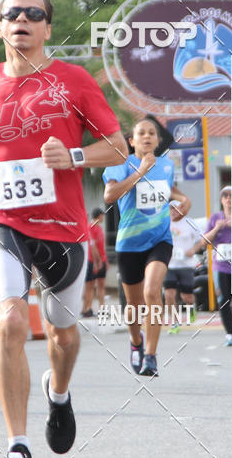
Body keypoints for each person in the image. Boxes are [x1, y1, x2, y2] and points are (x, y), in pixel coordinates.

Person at [0, 0, 126, 458]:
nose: (21, 20)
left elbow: (118, 146)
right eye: (11, 13)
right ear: (0, 25)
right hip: (3, 218)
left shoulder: (74, 81)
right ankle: (17, 447)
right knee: (10, 324)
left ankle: (59, 394)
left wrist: (73, 157)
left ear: (47, 27)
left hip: (65, 228)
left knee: (63, 335)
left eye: (32, 13)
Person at [103, 118, 191, 378]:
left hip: (160, 240)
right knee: (134, 305)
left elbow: (169, 188)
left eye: (152, 133)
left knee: (153, 292)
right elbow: (110, 196)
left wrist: (183, 200)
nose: (147, 136)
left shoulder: (166, 165)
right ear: (131, 141)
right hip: (129, 243)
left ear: (158, 139)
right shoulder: (120, 163)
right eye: (141, 133)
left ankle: (150, 357)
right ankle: (136, 342)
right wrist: (140, 171)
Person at [202, 186, 232, 345]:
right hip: (220, 266)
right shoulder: (215, 218)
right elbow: (204, 241)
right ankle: (229, 334)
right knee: (223, 299)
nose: (229, 199)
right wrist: (217, 228)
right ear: (222, 201)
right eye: (225, 196)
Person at [164, 205, 203, 332]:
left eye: (176, 208)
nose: (174, 211)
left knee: (186, 296)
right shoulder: (164, 222)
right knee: (169, 294)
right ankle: (174, 322)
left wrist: (193, 250)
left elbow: (201, 240)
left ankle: (191, 307)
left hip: (186, 265)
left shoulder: (189, 222)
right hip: (169, 264)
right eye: (171, 209)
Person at [82, 207, 108, 317]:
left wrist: (104, 260)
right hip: (92, 260)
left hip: (101, 260)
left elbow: (102, 246)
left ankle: (102, 309)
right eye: (102, 215)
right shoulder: (90, 227)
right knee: (90, 285)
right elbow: (92, 247)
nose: (103, 217)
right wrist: (97, 261)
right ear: (99, 216)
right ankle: (86, 309)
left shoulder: (99, 228)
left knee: (101, 285)